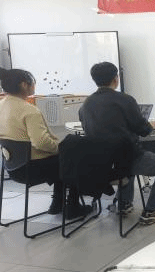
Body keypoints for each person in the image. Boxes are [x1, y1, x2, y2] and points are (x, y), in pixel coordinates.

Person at [79, 62, 155, 225]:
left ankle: (123, 204)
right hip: (126, 160)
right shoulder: (125, 100)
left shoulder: (86, 104)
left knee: (122, 155)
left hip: (100, 163)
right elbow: (143, 130)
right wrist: (150, 125)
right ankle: (153, 211)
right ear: (116, 79)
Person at [0, 68, 91, 219]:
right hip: (32, 169)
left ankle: (57, 203)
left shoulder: (2, 106)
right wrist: (61, 149)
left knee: (61, 159)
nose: (34, 85)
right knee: (73, 158)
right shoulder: (29, 110)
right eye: (33, 82)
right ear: (24, 85)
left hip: (12, 168)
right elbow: (41, 142)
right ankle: (73, 207)